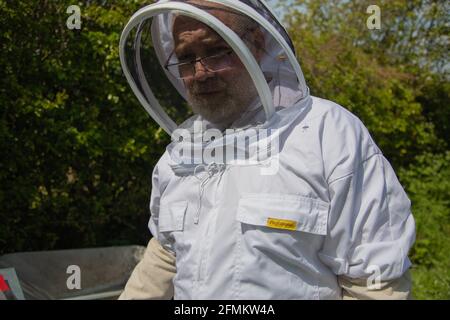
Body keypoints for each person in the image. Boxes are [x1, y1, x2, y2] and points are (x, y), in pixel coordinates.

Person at [118, 0, 415, 300]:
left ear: (256, 44)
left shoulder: (329, 134)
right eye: (185, 58)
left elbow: (375, 285)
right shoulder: (182, 152)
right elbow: (165, 257)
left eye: (216, 50)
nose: (201, 72)